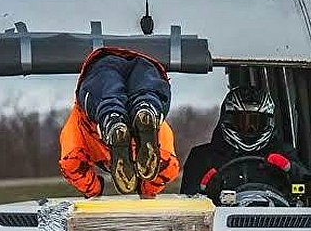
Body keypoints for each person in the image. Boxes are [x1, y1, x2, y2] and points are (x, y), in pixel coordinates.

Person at [59, 47, 180, 198]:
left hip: (106, 67)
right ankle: (131, 112)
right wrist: (146, 191)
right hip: (136, 66)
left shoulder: (79, 132)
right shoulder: (79, 132)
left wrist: (94, 190)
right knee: (112, 100)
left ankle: (124, 115)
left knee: (118, 98)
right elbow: (71, 162)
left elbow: (169, 166)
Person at [180, 86, 311, 195]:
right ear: (227, 120)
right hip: (220, 222)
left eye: (257, 122)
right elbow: (187, 205)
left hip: (277, 221)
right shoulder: (202, 157)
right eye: (243, 122)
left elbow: (306, 189)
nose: (250, 129)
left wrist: (292, 172)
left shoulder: (283, 154)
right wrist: (205, 192)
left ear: (269, 122)